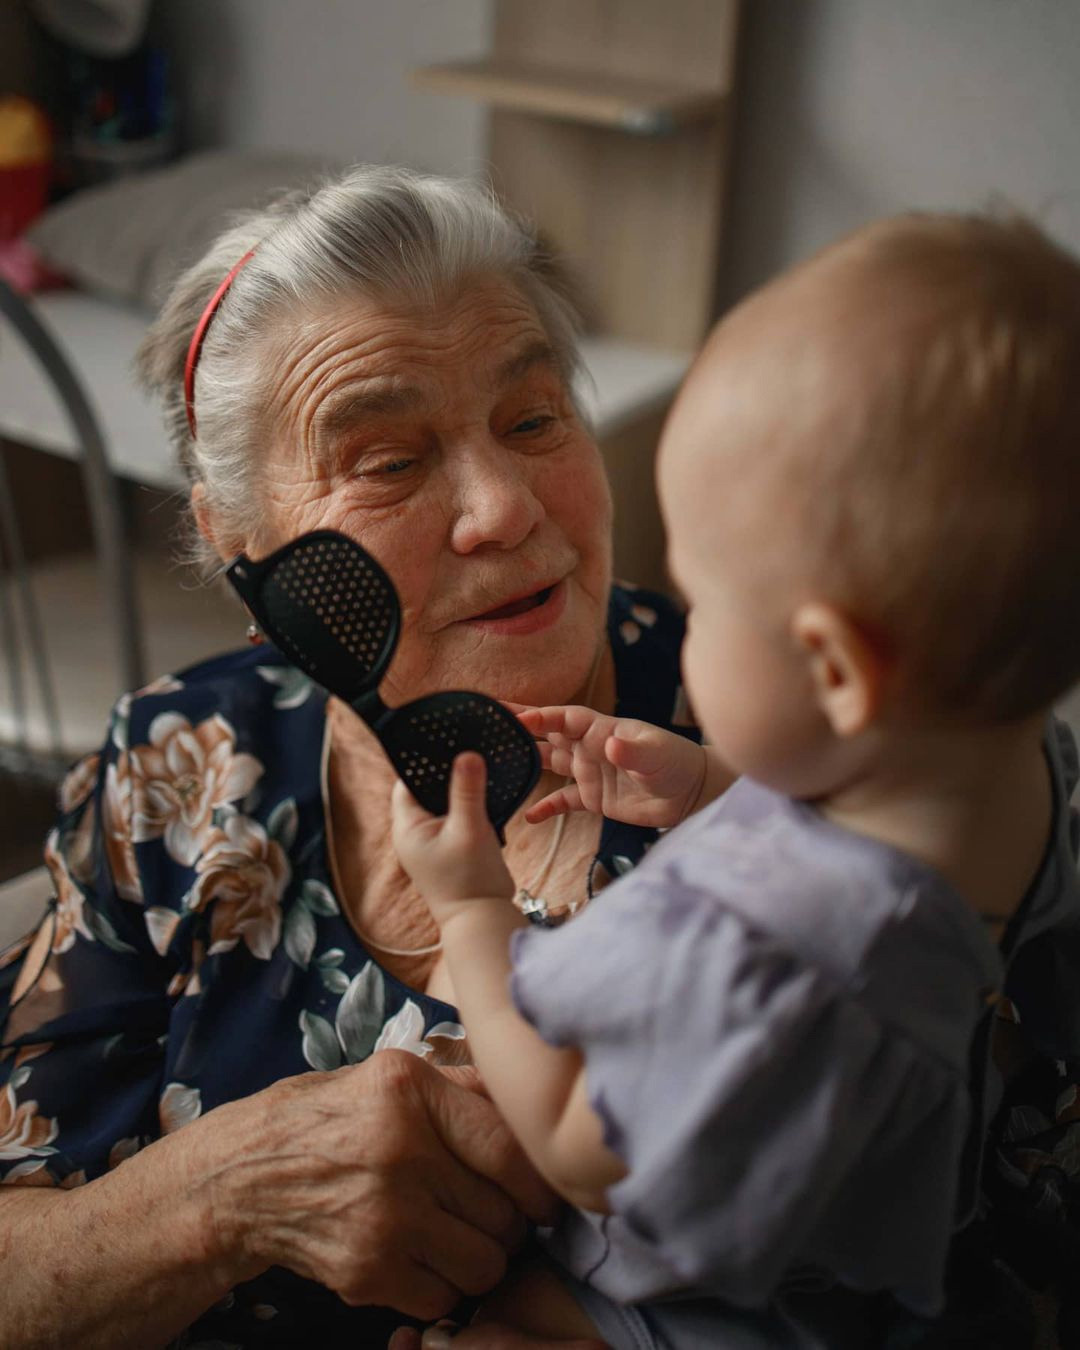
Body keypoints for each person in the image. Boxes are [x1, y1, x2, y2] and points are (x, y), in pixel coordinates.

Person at [0, 165, 700, 1348]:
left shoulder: (785, 756)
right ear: (239, 541)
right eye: (388, 461)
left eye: (533, 420)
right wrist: (225, 1194)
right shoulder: (176, 762)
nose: (503, 508)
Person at [392, 212, 1080, 1349]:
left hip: (698, 1311)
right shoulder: (1019, 767)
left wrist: (472, 916)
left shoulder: (757, 956)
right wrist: (713, 786)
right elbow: (869, 836)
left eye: (705, 603)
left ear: (834, 671)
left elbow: (578, 1142)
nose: (677, 623)